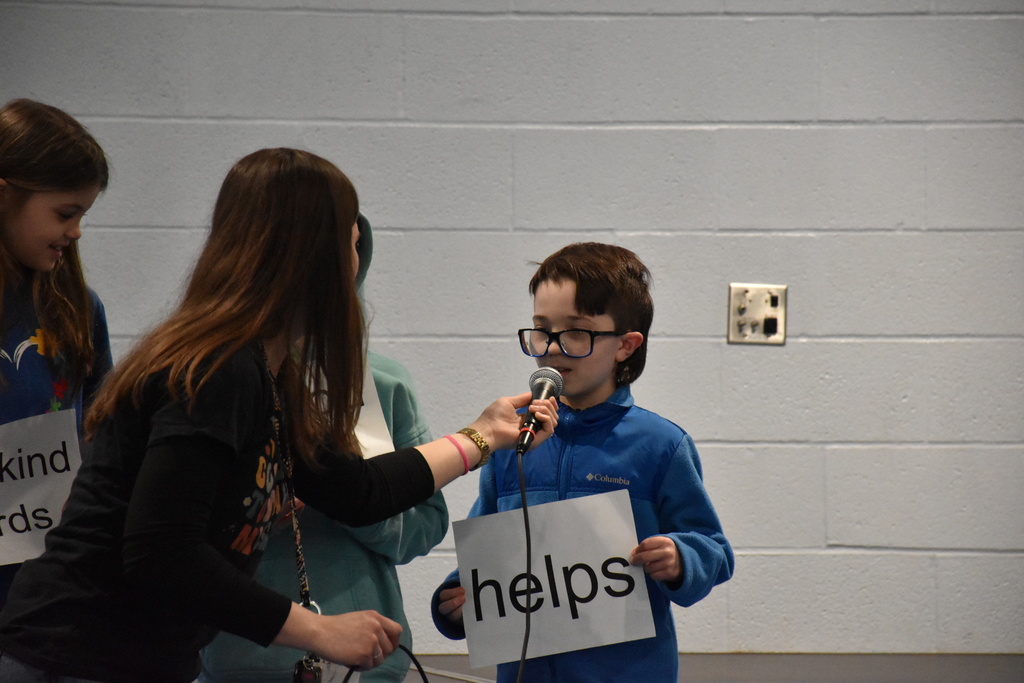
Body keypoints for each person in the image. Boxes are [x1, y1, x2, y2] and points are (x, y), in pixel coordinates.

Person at [0, 147, 558, 683]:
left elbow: (357, 490)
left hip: (127, 657)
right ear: (311, 256)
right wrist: (316, 631)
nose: (356, 263)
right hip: (76, 655)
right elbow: (162, 552)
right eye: (351, 242)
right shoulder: (220, 369)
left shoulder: (268, 372)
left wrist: (482, 435)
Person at [430, 242, 735, 682]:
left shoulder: (661, 445)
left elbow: (715, 549)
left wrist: (682, 557)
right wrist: (457, 602)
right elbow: (489, 547)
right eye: (542, 329)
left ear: (626, 346)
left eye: (576, 332)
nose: (552, 348)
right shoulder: (512, 441)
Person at [198, 213, 449, 683]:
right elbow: (176, 535)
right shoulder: (228, 379)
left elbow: (427, 525)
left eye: (354, 250)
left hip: (368, 659)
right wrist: (257, 509)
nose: (345, 266)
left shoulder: (385, 382)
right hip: (241, 658)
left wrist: (344, 501)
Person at [0, 98, 113, 609]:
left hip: (47, 589)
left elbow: (104, 431)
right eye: (65, 213)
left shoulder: (79, 309)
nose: (77, 231)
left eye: (82, 214)